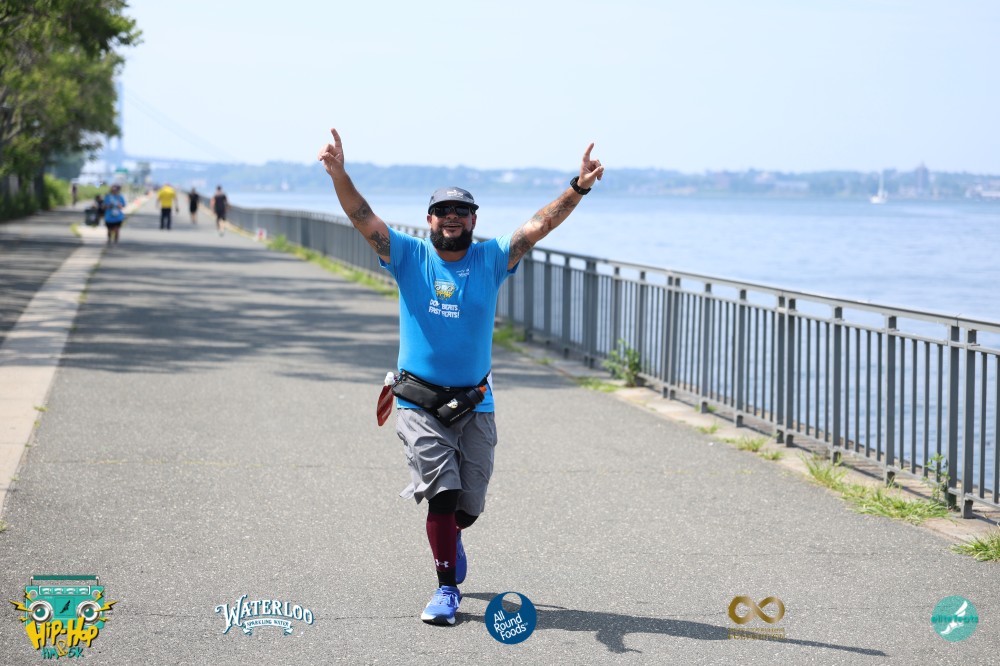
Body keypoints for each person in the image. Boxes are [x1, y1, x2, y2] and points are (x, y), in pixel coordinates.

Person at [317, 127, 603, 626]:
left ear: (473, 220)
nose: (452, 217)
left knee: (468, 506)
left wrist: (577, 188)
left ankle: (454, 535)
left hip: (476, 402)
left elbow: (538, 226)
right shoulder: (408, 255)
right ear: (429, 219)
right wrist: (340, 174)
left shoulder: (491, 258)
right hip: (418, 401)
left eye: (462, 211)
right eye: (443, 210)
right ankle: (446, 590)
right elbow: (362, 216)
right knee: (443, 494)